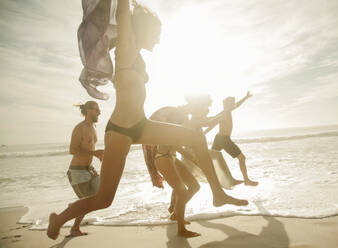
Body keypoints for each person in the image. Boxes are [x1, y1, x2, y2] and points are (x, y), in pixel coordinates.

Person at [47, 0, 247, 240]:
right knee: (104, 200)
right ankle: (58, 219)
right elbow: (123, 13)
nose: (159, 39)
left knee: (195, 137)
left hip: (141, 126)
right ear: (141, 30)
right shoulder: (127, 47)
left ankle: (217, 193)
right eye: (157, 33)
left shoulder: (137, 54)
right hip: (120, 130)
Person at [144, 107, 201, 237]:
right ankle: (181, 230)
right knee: (182, 191)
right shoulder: (168, 130)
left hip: (172, 158)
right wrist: (195, 160)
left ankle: (176, 214)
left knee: (195, 186)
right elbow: (178, 147)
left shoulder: (175, 128)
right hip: (163, 159)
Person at [67, 101, 104, 236]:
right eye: (97, 110)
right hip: (77, 172)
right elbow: (72, 149)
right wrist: (94, 153)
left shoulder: (93, 128)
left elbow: (90, 149)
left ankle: (74, 206)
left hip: (90, 169)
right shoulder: (80, 128)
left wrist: (98, 155)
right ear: (88, 110)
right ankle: (74, 228)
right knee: (86, 204)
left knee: (102, 196)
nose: (99, 112)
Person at [207, 91, 258, 186]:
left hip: (219, 138)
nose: (234, 105)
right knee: (242, 158)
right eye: (232, 103)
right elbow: (212, 124)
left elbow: (237, 105)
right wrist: (202, 133)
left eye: (233, 103)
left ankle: (213, 177)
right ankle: (246, 180)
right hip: (223, 139)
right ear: (226, 104)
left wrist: (246, 97)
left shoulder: (227, 111)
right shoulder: (224, 113)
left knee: (212, 158)